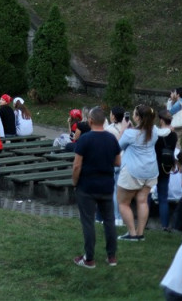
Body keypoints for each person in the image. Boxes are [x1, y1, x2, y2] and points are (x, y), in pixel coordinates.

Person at [70, 108, 122, 269]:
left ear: (90, 121)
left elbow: (77, 165)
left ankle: (89, 258)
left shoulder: (85, 139)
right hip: (106, 185)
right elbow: (118, 162)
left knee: (88, 221)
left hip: (87, 186)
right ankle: (111, 256)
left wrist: (74, 183)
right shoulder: (111, 139)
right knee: (109, 221)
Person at [118, 104, 158, 241]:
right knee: (142, 201)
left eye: (135, 113)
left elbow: (117, 146)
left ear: (138, 117)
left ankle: (132, 233)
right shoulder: (154, 131)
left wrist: (123, 130)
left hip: (133, 171)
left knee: (123, 203)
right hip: (150, 171)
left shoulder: (130, 133)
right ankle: (140, 233)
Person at [154, 109, 180, 231]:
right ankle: (165, 224)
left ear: (162, 120)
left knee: (146, 194)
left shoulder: (157, 134)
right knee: (163, 197)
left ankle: (145, 222)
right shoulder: (173, 135)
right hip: (166, 166)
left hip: (154, 166)